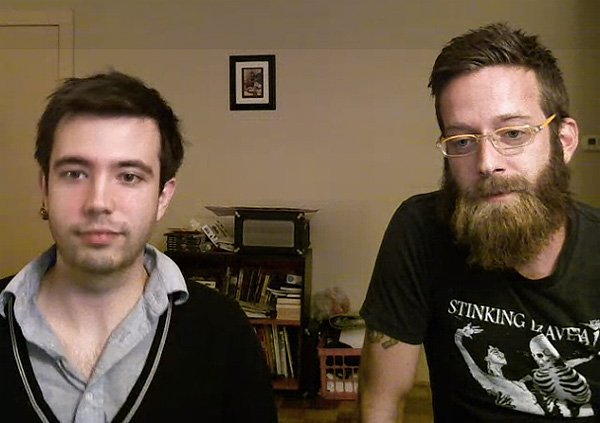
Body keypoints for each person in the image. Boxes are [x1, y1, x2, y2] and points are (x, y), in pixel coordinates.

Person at [0, 71, 277, 422]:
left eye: (129, 176)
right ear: (45, 188)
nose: (99, 202)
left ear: (163, 197)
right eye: (74, 173)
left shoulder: (224, 335)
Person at [359, 22, 600, 421]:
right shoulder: (420, 231)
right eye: (462, 141)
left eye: (513, 133)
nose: (487, 164)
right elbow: (382, 399)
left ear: (564, 140)